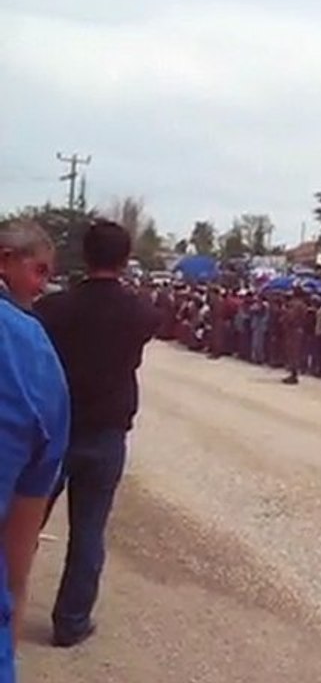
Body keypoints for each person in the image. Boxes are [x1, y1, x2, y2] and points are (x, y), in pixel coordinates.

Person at [34, 220, 157, 648]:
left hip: (54, 428)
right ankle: (71, 621)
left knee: (22, 524)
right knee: (88, 533)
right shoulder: (140, 311)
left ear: (85, 256)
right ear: (125, 260)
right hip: (105, 433)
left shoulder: (54, 309)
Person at [0, 220, 70, 678]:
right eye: (38, 270)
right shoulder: (34, 357)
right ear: (5, 259)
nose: (42, 285)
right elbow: (15, 563)